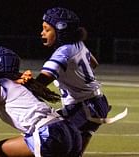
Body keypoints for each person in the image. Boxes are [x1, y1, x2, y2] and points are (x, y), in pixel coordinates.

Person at [33, 7, 116, 155]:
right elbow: (94, 63)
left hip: (83, 108)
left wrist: (19, 80)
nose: (42, 33)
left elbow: (40, 83)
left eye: (46, 29)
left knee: (44, 135)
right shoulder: (78, 44)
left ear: (60, 31)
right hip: (96, 103)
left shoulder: (63, 53)